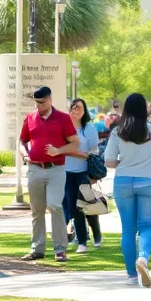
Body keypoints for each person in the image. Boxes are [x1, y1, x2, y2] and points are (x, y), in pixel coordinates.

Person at [104, 93, 151, 286]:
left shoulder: (117, 131)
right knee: (146, 226)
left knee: (128, 229)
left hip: (123, 181)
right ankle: (143, 257)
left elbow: (108, 161)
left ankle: (131, 275)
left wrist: (125, 163)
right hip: (148, 181)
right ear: (144, 109)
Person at [19, 86, 79, 262]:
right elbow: (22, 140)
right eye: (37, 103)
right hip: (35, 169)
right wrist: (24, 153)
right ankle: (37, 248)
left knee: (55, 206)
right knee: (36, 211)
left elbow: (75, 143)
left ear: (50, 99)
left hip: (56, 169)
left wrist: (58, 150)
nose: (39, 106)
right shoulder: (30, 118)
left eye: (42, 102)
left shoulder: (63, 118)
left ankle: (60, 249)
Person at [63, 98, 102, 253]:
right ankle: (81, 239)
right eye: (73, 108)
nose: (75, 111)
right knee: (72, 207)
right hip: (66, 172)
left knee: (85, 206)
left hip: (83, 173)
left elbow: (94, 153)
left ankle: (93, 236)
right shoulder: (64, 128)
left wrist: (75, 153)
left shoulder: (89, 129)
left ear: (84, 110)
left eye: (78, 108)